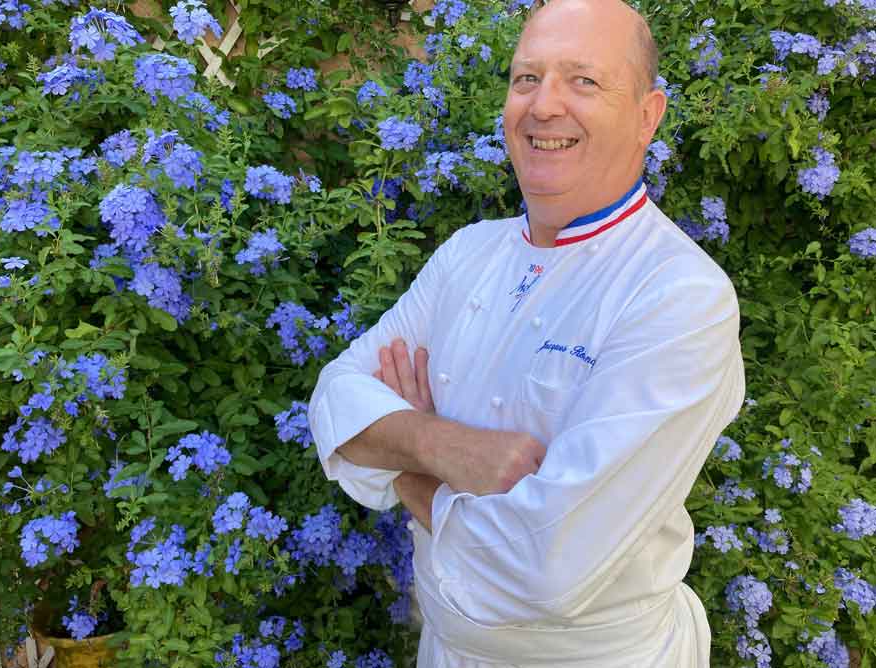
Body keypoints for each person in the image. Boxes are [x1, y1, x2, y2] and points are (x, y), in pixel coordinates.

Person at [307, 0, 745, 665]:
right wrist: (442, 445)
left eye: (583, 81)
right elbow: (336, 398)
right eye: (525, 79)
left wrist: (404, 470)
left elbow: (547, 566)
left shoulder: (678, 294)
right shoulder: (467, 254)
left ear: (647, 116)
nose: (543, 106)